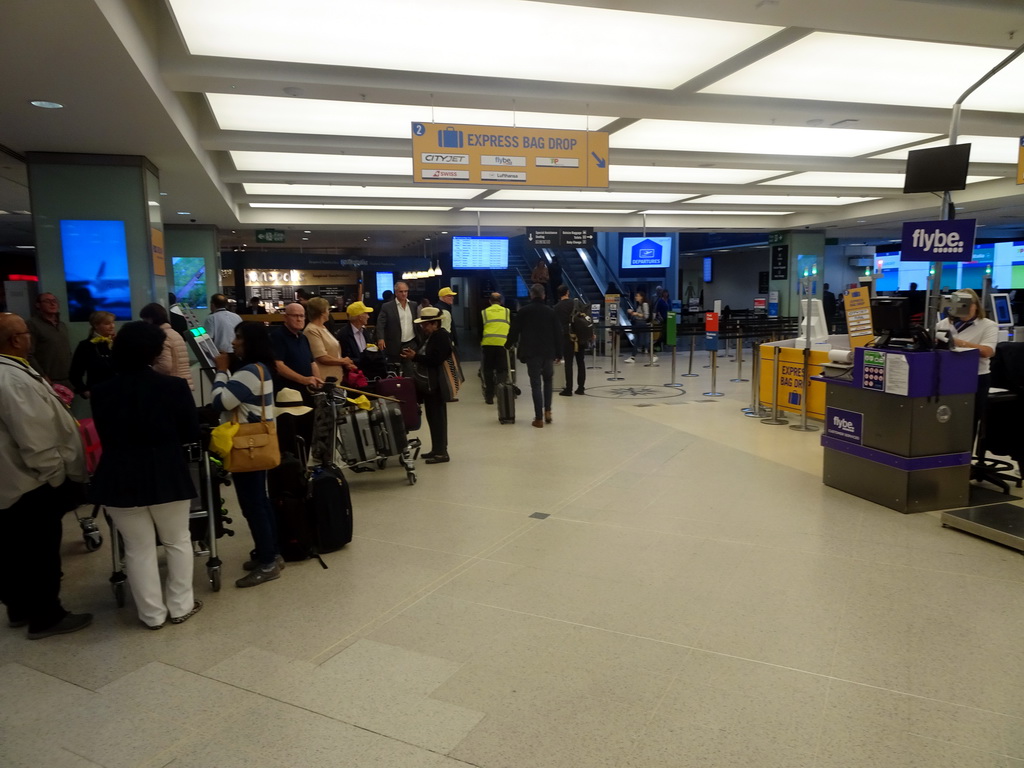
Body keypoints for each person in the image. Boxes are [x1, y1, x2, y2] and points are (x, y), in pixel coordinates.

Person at [90, 322, 202, 629]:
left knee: (137, 548)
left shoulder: (101, 392)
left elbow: (104, 433)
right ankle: (180, 606)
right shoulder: (173, 387)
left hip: (119, 475)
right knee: (177, 540)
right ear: (154, 353)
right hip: (166, 471)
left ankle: (151, 615)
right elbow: (190, 432)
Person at [0, 312, 92, 639]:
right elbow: (35, 439)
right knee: (38, 550)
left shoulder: (14, 372)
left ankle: (19, 606)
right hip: (32, 482)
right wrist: (56, 477)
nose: (31, 338)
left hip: (11, 482)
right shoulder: (12, 380)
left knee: (14, 548)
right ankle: (46, 616)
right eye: (26, 333)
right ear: (15, 340)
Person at [212, 322, 283, 588]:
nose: (233, 343)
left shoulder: (249, 372)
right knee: (260, 502)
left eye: (239, 338)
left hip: (247, 445)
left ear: (251, 342)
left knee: (253, 505)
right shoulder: (262, 368)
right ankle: (272, 554)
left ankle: (267, 562)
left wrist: (221, 372)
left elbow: (220, 402)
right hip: (259, 442)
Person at [936, 288, 998, 437]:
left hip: (975, 377)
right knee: (944, 419)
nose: (965, 308)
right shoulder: (944, 323)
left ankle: (965, 455)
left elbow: (987, 351)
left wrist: (959, 343)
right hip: (948, 376)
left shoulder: (988, 325)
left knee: (967, 421)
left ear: (976, 305)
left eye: (968, 304)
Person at [400, 307, 452, 464]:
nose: (423, 328)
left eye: (426, 324)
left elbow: (435, 360)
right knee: (433, 417)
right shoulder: (433, 336)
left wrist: (415, 357)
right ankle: (437, 449)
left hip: (435, 385)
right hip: (430, 385)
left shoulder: (441, 337)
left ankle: (441, 452)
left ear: (435, 323)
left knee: (438, 418)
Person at [507, 284, 562, 429]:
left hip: (531, 353)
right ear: (543, 295)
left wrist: (508, 344)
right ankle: (548, 411)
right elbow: (558, 333)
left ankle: (538, 419)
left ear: (531, 295)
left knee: (536, 384)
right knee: (548, 381)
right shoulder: (551, 312)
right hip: (548, 352)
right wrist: (559, 353)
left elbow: (514, 330)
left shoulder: (524, 311)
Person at [140, 302, 195, 391]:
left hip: (172, 386)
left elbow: (164, 366)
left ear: (151, 319)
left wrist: (148, 372)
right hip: (182, 384)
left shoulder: (162, 337)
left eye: (145, 320)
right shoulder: (174, 333)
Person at [304, 297, 354, 386]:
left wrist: (345, 363)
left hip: (336, 379)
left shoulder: (323, 327)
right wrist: (343, 361)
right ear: (322, 312)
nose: (329, 312)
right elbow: (322, 357)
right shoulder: (311, 330)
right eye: (328, 309)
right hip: (324, 381)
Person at [69, 310, 117, 400]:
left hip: (119, 392)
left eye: (113, 322)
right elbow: (74, 374)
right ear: (96, 325)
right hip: (98, 393)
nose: (112, 326)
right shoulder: (85, 346)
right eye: (107, 323)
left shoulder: (116, 343)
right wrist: (85, 391)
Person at [27, 292, 72, 388]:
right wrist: (42, 376)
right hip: (48, 380)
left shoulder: (62, 325)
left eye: (54, 301)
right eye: (47, 301)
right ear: (38, 305)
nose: (52, 304)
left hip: (67, 379)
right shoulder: (32, 324)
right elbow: (28, 354)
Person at [376, 281, 419, 374]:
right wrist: (380, 338)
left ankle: (409, 386)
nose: (404, 294)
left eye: (406, 291)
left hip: (410, 342)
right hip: (394, 342)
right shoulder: (387, 306)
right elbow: (380, 323)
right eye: (401, 291)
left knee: (410, 370)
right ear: (396, 292)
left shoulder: (413, 305)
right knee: (394, 369)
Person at [553, 285, 586, 397]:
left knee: (568, 363)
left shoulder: (556, 307)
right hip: (580, 336)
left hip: (567, 337)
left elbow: (556, 326)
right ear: (567, 292)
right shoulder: (577, 303)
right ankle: (581, 388)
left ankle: (568, 389)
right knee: (581, 362)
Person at [480, 292, 511, 405]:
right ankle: (501, 393)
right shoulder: (507, 312)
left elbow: (480, 329)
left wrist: (481, 341)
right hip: (503, 344)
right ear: (501, 301)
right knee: (501, 370)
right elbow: (511, 328)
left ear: (490, 301)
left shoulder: (484, 312)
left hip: (488, 344)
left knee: (488, 370)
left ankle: (489, 396)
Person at [337, 300, 375, 370]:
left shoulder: (365, 332)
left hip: (368, 370)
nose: (368, 316)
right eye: (366, 314)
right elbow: (346, 357)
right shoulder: (344, 334)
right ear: (360, 317)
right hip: (353, 373)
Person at [625, 290, 651, 363]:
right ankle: (633, 356)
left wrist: (635, 314)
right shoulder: (639, 305)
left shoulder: (644, 304)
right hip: (638, 323)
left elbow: (646, 316)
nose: (636, 297)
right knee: (637, 340)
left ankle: (652, 355)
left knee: (642, 341)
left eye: (637, 296)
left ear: (641, 297)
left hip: (642, 324)